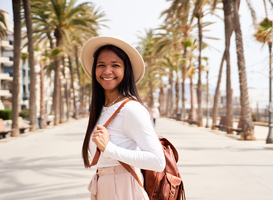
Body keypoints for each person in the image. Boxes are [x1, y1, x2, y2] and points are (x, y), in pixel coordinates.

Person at [80, 36, 166, 200]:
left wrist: (110, 149)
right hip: (104, 186)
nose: (107, 71)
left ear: (126, 70)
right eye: (101, 65)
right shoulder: (103, 108)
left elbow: (157, 161)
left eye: (115, 65)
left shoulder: (131, 109)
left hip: (122, 189)